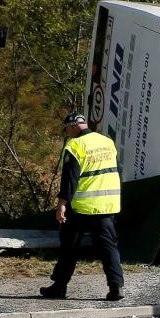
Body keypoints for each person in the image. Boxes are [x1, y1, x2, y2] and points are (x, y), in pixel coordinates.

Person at [40, 113, 125, 301]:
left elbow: (69, 179)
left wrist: (61, 204)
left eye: (67, 129)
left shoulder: (75, 146)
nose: (67, 133)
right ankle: (116, 288)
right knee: (109, 248)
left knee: (69, 247)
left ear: (72, 127)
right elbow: (117, 170)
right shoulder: (107, 142)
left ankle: (59, 287)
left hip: (82, 207)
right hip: (107, 205)